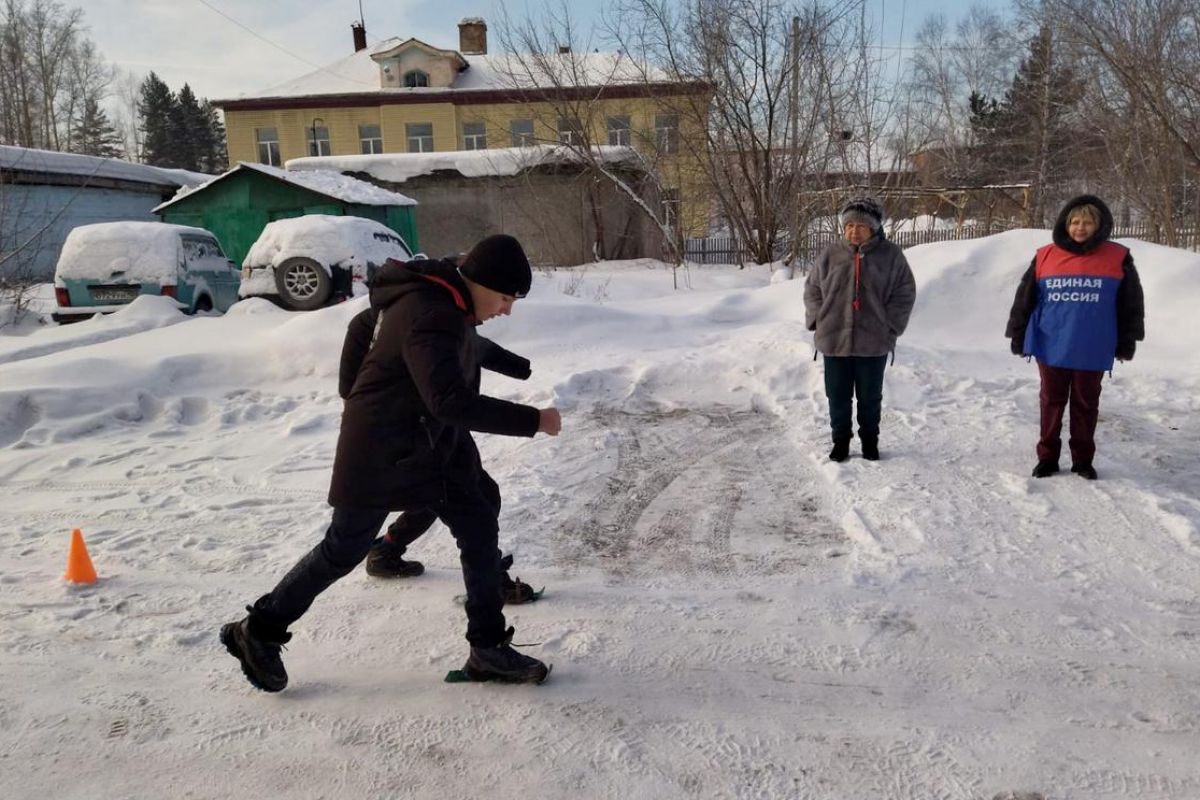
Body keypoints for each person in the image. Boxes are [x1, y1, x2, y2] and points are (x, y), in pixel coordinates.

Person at [220, 234, 562, 692]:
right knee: (343, 547)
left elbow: (371, 327)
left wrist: (510, 364)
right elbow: (449, 400)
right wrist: (533, 419)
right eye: (505, 298)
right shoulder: (431, 312)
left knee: (479, 513)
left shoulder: (441, 299)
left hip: (427, 441)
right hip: (382, 447)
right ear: (479, 283)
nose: (507, 309)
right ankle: (258, 630)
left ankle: (487, 646)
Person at [337, 287, 538, 604]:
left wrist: (519, 366)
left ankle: (386, 549)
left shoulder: (448, 312)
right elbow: (349, 387)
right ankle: (486, 585)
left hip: (441, 425)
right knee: (472, 498)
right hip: (409, 431)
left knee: (453, 496)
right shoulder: (377, 320)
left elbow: (474, 346)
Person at [1005, 195, 1145, 480]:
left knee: (1085, 404)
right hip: (1050, 343)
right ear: (1065, 224)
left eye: (1088, 222)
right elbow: (1025, 297)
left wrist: (1128, 339)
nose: (1080, 227)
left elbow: (1131, 303)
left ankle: (1083, 460)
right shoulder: (1045, 255)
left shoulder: (1117, 257)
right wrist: (1017, 333)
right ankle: (1047, 458)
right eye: (1075, 222)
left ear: (1099, 225)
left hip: (1093, 345)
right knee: (1051, 401)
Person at [804, 197, 917, 462]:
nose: (854, 230)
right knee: (837, 395)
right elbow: (812, 290)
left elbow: (905, 294)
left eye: (861, 226)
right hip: (834, 340)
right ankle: (840, 441)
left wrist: (891, 327)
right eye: (849, 225)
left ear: (874, 228)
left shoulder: (891, 256)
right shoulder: (830, 255)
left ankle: (870, 441)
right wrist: (819, 319)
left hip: (873, 341)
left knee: (869, 397)